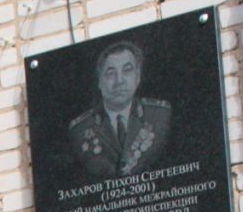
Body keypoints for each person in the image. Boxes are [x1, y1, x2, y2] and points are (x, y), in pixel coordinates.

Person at [68, 39, 172, 179]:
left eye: (127, 70)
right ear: (99, 81)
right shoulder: (80, 130)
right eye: (110, 73)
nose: (119, 81)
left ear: (138, 76)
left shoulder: (160, 116)